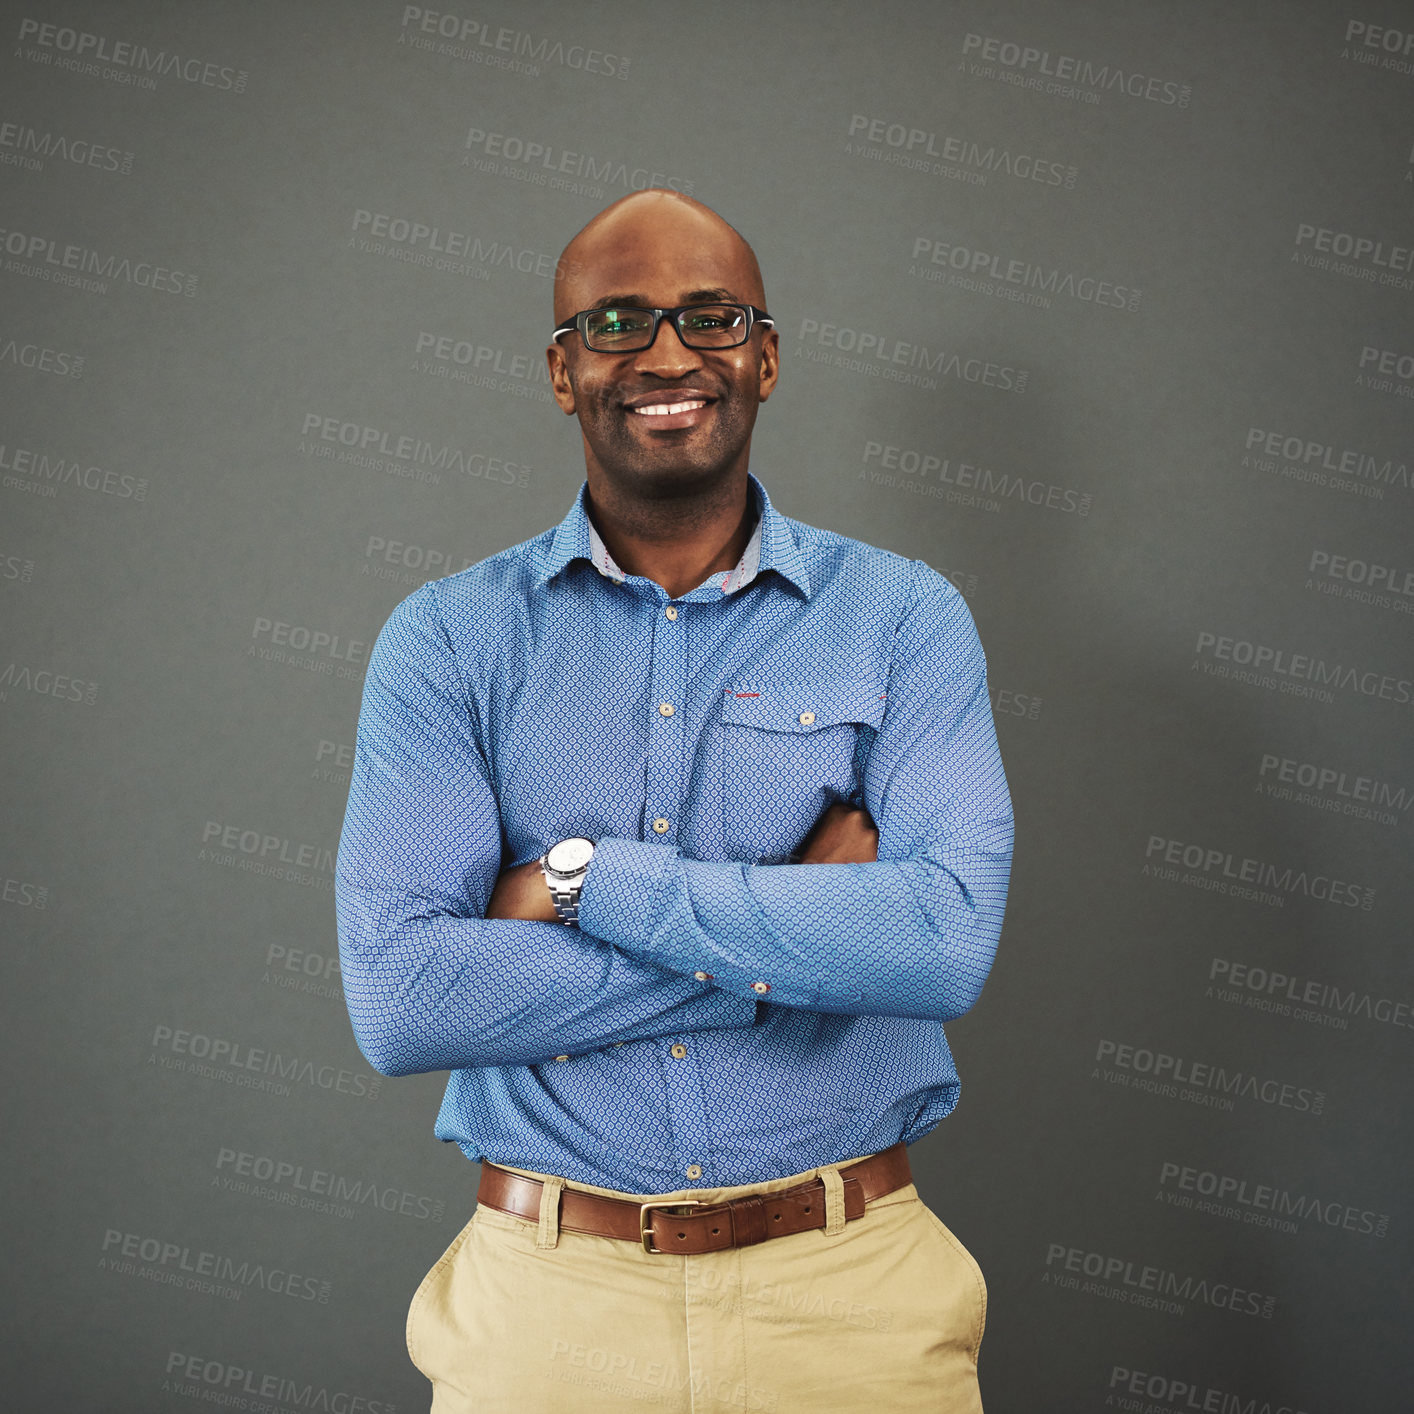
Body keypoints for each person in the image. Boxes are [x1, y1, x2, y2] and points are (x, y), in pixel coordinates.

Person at [336, 189, 1013, 1413]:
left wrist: (578, 887)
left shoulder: (906, 617)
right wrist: (803, 927)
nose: (665, 354)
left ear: (764, 355)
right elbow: (404, 998)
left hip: (850, 1296)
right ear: (560, 370)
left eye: (710, 317)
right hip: (545, 1312)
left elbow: (943, 941)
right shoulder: (446, 641)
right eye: (616, 321)